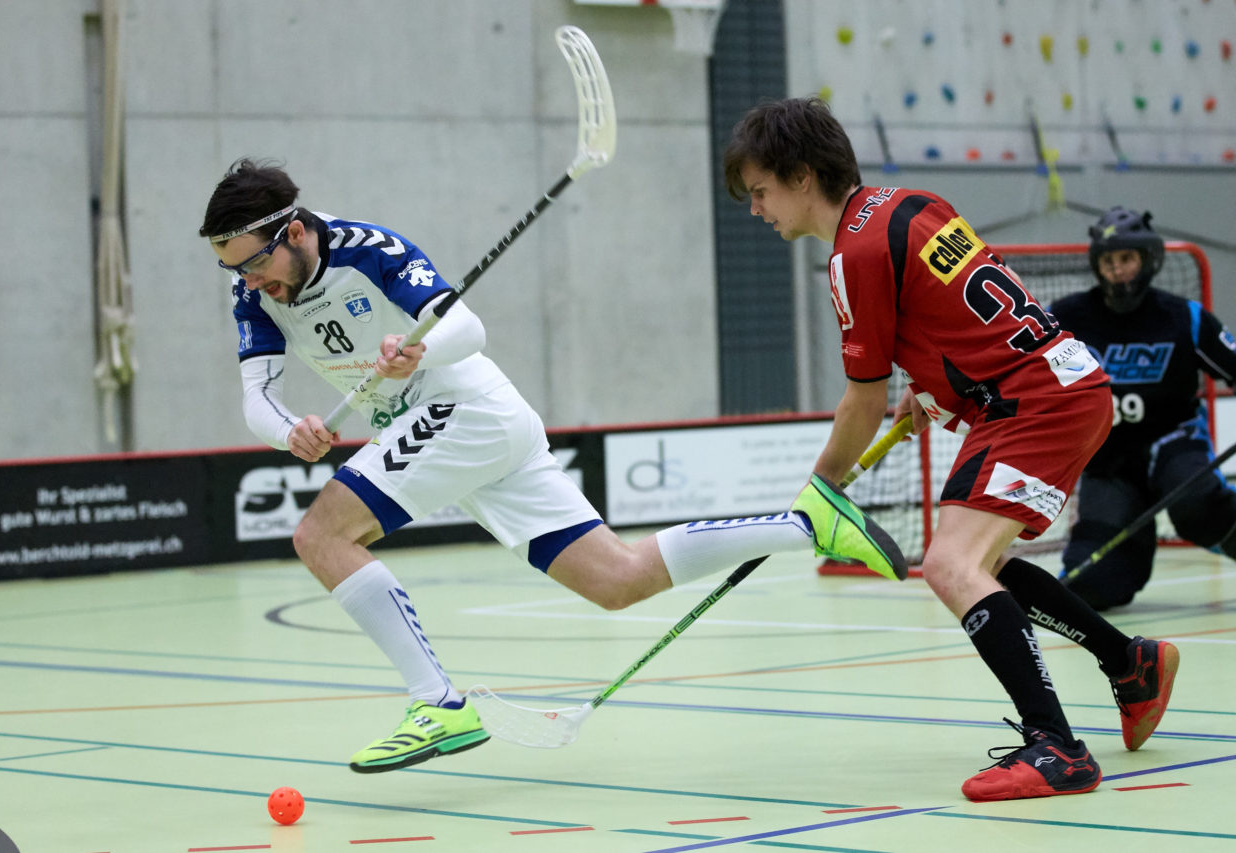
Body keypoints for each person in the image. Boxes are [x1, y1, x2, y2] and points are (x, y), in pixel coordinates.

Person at [199, 158, 904, 775]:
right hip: (462, 434)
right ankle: (805, 524)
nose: (249, 281)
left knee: (321, 536)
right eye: (234, 268)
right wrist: (292, 431)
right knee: (618, 581)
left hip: (461, 408)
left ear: (293, 233)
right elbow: (256, 394)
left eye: (254, 262)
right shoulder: (253, 288)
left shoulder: (372, 251)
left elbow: (467, 330)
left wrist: (420, 350)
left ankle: (437, 702)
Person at [722, 98, 1180, 802]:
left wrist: (822, 486)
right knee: (982, 561)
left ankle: (1057, 746)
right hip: (1060, 382)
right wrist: (933, 385)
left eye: (759, 191)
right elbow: (961, 314)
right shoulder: (908, 203)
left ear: (802, 176)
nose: (756, 209)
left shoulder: (854, 254)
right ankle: (1130, 663)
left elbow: (860, 401)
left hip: (1036, 403)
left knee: (950, 563)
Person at [1049, 206, 1236, 609]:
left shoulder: (1184, 318)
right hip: (1108, 461)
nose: (1117, 270)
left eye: (1127, 259)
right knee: (1091, 585)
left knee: (1197, 506)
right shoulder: (1066, 318)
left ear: (1148, 260)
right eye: (1108, 261)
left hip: (1174, 443)